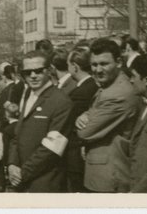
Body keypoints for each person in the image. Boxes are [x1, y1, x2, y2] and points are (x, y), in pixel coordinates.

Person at [76, 38, 142, 193]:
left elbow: (85, 132)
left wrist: (85, 118)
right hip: (103, 175)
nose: (98, 70)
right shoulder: (110, 86)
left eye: (104, 64)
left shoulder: (119, 93)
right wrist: (85, 115)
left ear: (119, 62)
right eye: (94, 64)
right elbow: (94, 111)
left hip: (110, 178)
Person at [7, 50, 73, 192]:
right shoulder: (28, 96)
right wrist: (12, 164)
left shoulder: (61, 101)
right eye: (27, 72)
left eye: (38, 71)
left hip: (45, 181)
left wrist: (22, 173)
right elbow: (17, 135)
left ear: (49, 71)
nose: (33, 76)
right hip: (22, 179)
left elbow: (52, 148)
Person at [64, 47, 99, 192]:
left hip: (75, 154)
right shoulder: (93, 84)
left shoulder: (81, 92)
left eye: (68, 65)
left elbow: (70, 124)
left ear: (75, 66)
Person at [127, 54, 147, 192]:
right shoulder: (144, 105)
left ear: (146, 81)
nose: (130, 80)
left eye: (133, 76)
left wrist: (138, 192)